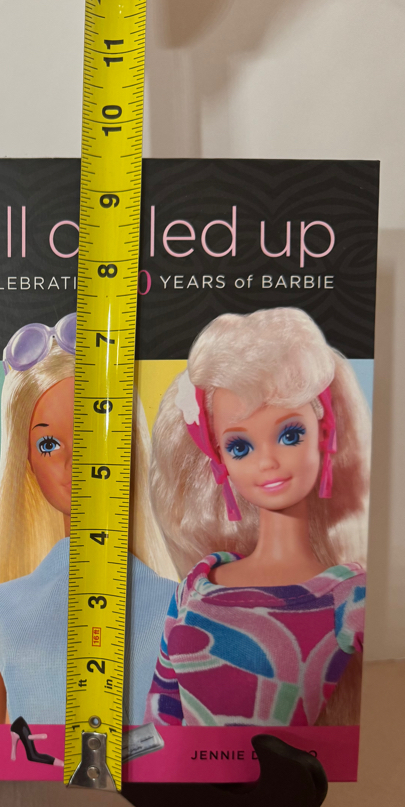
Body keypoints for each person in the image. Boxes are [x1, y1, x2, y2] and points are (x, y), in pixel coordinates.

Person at [146, 307, 370, 728]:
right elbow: (160, 720)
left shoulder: (350, 597)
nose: (267, 462)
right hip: (184, 772)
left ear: (324, 435)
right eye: (240, 447)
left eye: (290, 435)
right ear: (220, 461)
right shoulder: (197, 583)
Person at [0, 312, 178, 727]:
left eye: (95, 434)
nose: (75, 461)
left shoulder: (181, 604)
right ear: (26, 464)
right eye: (48, 444)